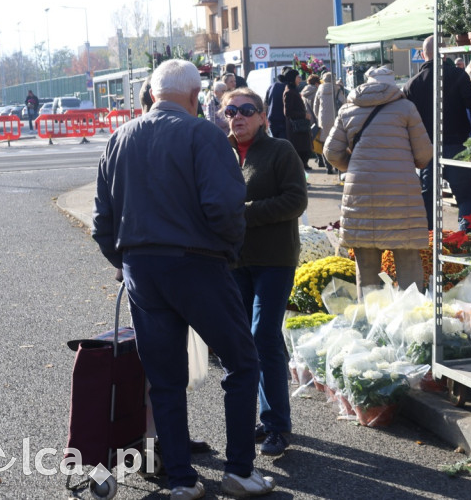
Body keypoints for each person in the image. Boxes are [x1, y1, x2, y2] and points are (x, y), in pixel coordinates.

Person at [91, 59, 274, 499]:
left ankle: (182, 479)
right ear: (195, 96)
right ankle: (239, 470)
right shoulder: (204, 134)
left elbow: (102, 221)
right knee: (242, 361)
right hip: (197, 263)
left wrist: (124, 259)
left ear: (153, 94)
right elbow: (225, 208)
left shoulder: (119, 138)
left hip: (141, 268)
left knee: (164, 377)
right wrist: (228, 252)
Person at [224, 86, 307, 459]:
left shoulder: (280, 150)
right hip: (235, 261)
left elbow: (296, 200)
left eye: (246, 110)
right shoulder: (221, 153)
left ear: (262, 117)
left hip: (274, 259)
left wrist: (244, 212)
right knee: (245, 340)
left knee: (264, 335)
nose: (238, 117)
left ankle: (276, 425)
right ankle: (265, 416)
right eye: (231, 111)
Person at [324, 66, 432, 292]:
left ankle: (370, 311)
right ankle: (411, 310)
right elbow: (424, 155)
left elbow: (331, 152)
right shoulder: (406, 108)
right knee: (407, 258)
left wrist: (353, 165)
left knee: (366, 263)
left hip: (360, 193)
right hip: (401, 194)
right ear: (392, 83)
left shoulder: (348, 109)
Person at [403, 36, 471, 231]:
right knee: (466, 195)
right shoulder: (458, 76)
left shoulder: (412, 84)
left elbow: (405, 121)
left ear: (423, 54)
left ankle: (429, 238)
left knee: (428, 196)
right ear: (445, 54)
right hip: (457, 145)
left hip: (426, 149)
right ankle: (465, 236)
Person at [313, 72, 347, 175]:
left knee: (325, 143)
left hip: (323, 120)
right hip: (336, 118)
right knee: (337, 142)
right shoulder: (337, 88)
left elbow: (315, 106)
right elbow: (344, 102)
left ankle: (328, 166)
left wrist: (319, 117)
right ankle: (337, 166)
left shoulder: (320, 89)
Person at [281, 69, 312, 167]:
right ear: (292, 79)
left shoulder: (293, 90)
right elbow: (287, 112)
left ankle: (303, 172)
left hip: (300, 128)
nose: (300, 79)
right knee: (300, 153)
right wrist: (303, 115)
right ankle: (301, 174)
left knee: (304, 152)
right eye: (298, 77)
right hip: (296, 128)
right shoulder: (289, 92)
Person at [301, 74, 323, 167]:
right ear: (317, 83)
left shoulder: (304, 92)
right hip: (317, 119)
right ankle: (321, 160)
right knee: (320, 140)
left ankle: (319, 159)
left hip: (308, 120)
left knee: (313, 141)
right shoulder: (316, 92)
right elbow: (318, 107)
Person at [264, 68, 288, 140]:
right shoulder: (287, 87)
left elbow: (265, 104)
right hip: (283, 121)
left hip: (271, 120)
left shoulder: (271, 86)